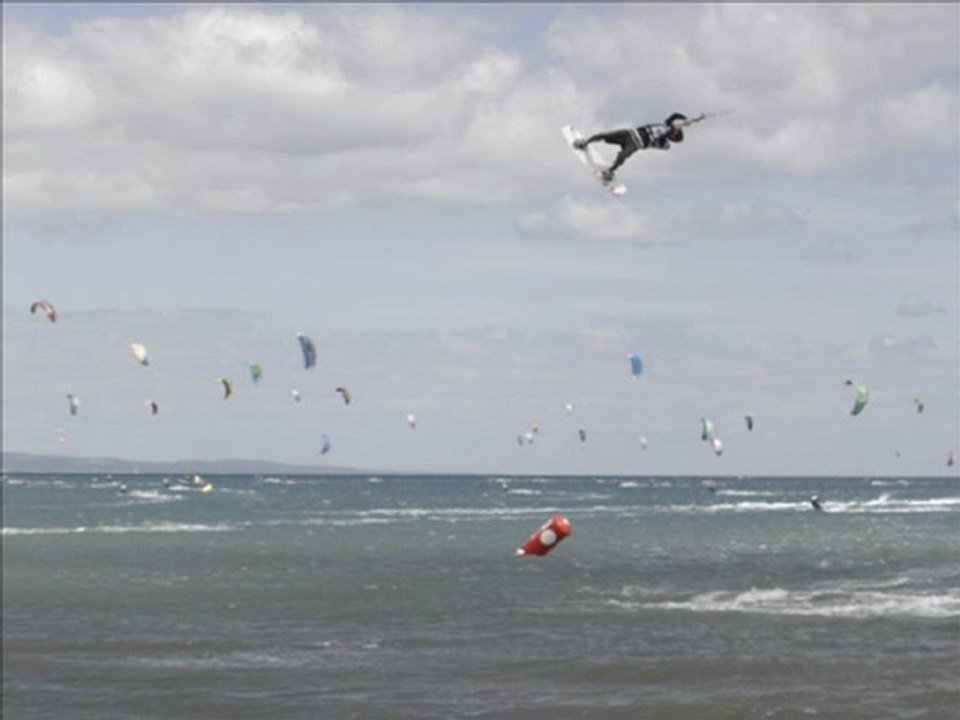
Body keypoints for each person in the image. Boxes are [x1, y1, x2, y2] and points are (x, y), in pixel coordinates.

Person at [573, 112, 692, 182]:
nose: (673, 131)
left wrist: (677, 128)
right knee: (606, 136)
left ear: (672, 137)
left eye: (674, 134)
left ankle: (610, 172)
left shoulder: (664, 142)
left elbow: (664, 137)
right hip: (630, 133)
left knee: (622, 156)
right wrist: (685, 119)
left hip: (635, 144)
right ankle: (585, 142)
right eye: (675, 131)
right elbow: (674, 115)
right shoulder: (667, 124)